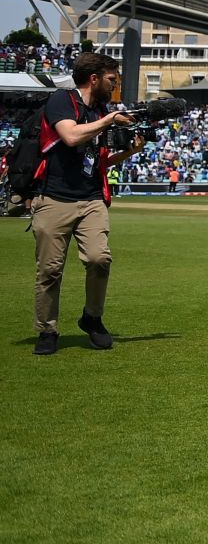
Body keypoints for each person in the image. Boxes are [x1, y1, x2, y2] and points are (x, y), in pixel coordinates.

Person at [27, 51, 144, 355]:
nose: (114, 84)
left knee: (99, 259)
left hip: (90, 198)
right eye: (111, 79)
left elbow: (97, 162)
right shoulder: (63, 100)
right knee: (50, 271)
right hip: (53, 197)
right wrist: (108, 121)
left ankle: (91, 318)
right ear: (94, 78)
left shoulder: (99, 110)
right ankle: (47, 331)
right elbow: (70, 136)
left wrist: (129, 152)